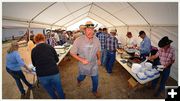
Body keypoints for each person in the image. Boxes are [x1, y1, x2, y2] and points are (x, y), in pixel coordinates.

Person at [70, 21, 101, 98]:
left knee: (95, 78)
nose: (91, 31)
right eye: (89, 29)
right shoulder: (78, 40)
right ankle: (79, 80)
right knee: (82, 76)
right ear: (84, 30)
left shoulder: (96, 40)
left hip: (93, 64)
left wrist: (99, 59)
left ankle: (94, 90)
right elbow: (72, 52)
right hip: (83, 65)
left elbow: (98, 51)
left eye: (92, 29)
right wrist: (81, 60)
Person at [31, 33, 65, 99]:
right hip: (53, 72)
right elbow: (57, 60)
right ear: (44, 39)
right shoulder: (50, 47)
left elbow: (34, 64)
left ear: (35, 40)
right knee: (58, 87)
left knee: (49, 90)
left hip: (42, 74)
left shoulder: (33, 50)